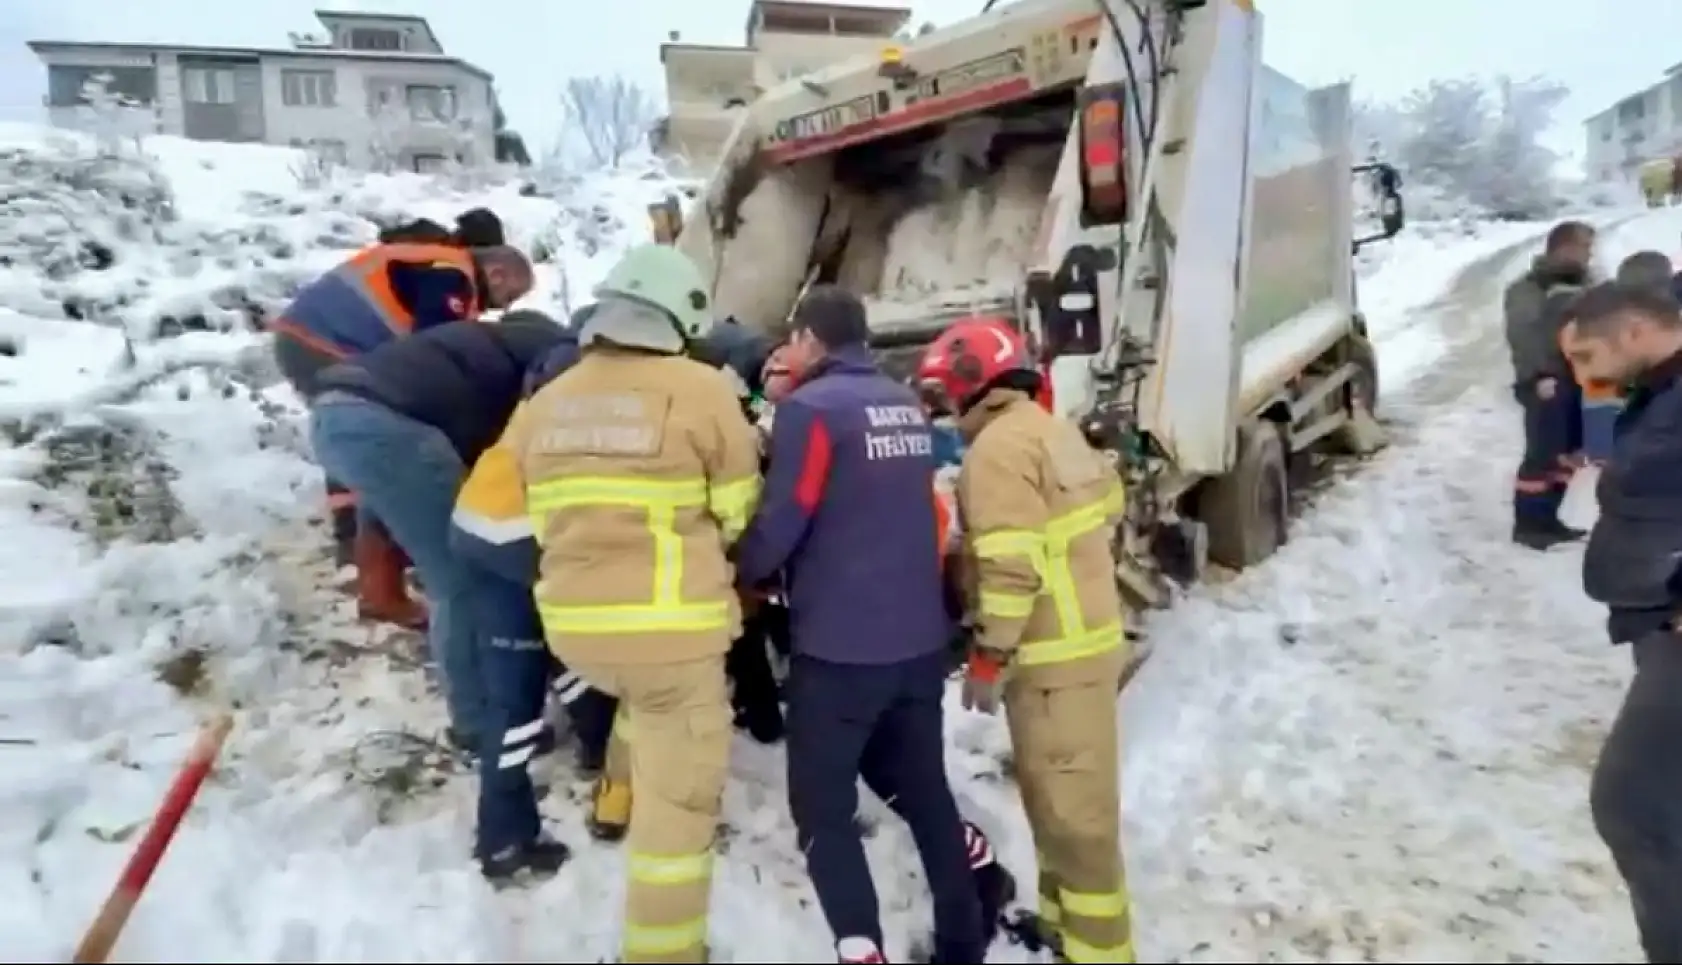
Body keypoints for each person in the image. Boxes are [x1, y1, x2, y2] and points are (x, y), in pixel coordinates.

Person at [497, 244, 762, 962]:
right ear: (680, 317)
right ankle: (664, 952)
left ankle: (614, 797)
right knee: (677, 815)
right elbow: (740, 509)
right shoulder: (702, 389)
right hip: (673, 627)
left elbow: (511, 508)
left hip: (577, 631)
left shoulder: (544, 403)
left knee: (639, 697)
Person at [734, 285, 986, 965]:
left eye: (792, 339)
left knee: (823, 809)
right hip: (917, 643)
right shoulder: (903, 403)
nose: (787, 351)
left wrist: (743, 567)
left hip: (841, 652)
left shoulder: (812, 412)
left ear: (812, 340)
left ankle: (863, 951)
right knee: (927, 790)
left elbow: (786, 519)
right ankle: (964, 939)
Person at [918, 314, 1134, 964]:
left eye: (947, 390)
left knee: (1076, 823)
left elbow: (1012, 571)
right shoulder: (1050, 429)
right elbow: (1109, 507)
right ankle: (1063, 927)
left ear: (972, 381)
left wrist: (988, 655)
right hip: (1082, 646)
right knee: (1057, 807)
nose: (945, 405)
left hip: (1051, 660)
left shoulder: (996, 453)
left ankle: (1099, 951)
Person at [304, 268, 538, 754]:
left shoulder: (471, 346)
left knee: (398, 509)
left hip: (336, 414)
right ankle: (478, 723)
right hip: (392, 427)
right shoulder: (547, 354)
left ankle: (381, 592)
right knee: (462, 575)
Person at [273, 236, 532, 622]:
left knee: (367, 435)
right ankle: (366, 551)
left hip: (312, 338)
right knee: (381, 443)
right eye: (509, 295)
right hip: (327, 344)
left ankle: (373, 561)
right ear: (495, 272)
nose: (504, 307)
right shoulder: (452, 276)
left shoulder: (436, 262)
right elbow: (437, 346)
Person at [1561, 281, 1682, 963]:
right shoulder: (1660, 390)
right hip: (1654, 614)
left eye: (1587, 355)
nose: (1583, 376)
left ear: (1635, 330)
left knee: (1632, 804)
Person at [1502, 220, 1593, 549]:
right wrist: (1539, 377)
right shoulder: (1526, 291)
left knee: (1567, 453)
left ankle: (1548, 518)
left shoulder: (1588, 285)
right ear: (1562, 248)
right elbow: (1524, 339)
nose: (1588, 256)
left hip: (1580, 380)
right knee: (1542, 454)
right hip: (1545, 383)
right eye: (1584, 248)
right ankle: (1528, 524)